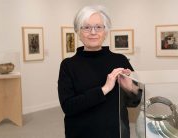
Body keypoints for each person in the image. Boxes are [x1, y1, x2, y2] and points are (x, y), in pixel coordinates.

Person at [58, 5, 141, 138]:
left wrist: (130, 87)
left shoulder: (120, 60)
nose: (93, 32)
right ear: (78, 32)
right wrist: (105, 88)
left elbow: (135, 101)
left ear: (106, 31)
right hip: (81, 133)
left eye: (98, 27)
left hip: (116, 133)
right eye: (86, 27)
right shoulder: (68, 65)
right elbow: (68, 107)